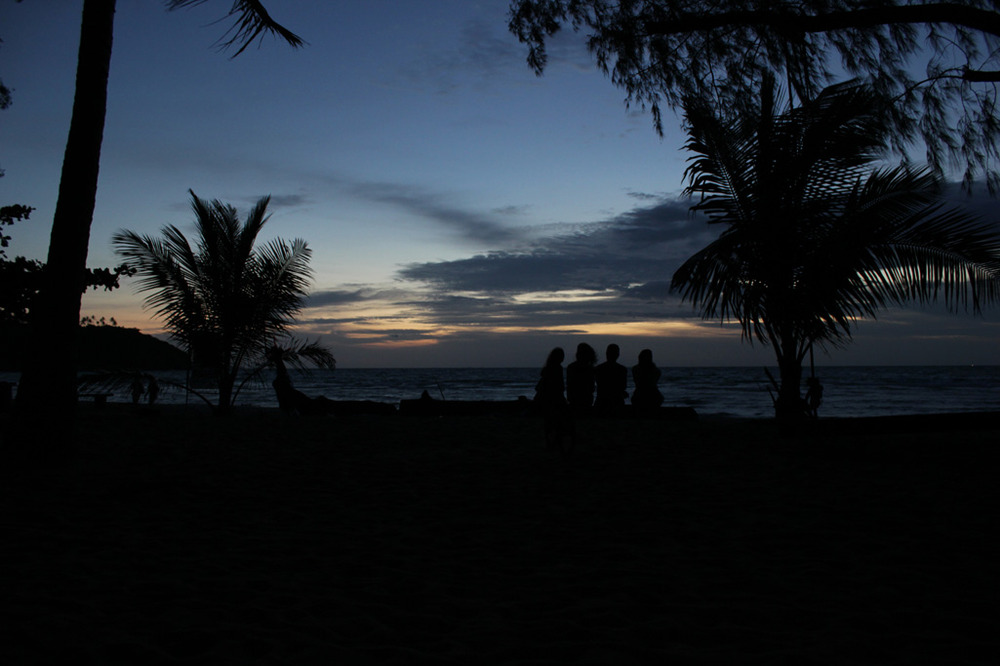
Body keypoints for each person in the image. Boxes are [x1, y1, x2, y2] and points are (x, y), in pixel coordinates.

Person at [534, 347, 573, 452]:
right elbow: (560, 386)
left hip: (547, 399)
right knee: (560, 421)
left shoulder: (547, 368)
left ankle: (549, 442)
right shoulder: (558, 368)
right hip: (556, 398)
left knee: (549, 422)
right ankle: (557, 443)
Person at [594, 343, 628, 414]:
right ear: (617, 355)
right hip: (617, 402)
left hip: (601, 401)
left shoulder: (598, 369)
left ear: (606, 354)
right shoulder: (622, 369)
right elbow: (623, 386)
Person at [566, 342, 597, 410]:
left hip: (574, 399)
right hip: (586, 399)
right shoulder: (590, 369)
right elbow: (591, 387)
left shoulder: (571, 367)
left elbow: (569, 385)